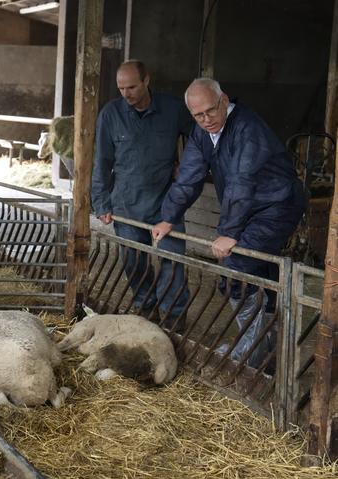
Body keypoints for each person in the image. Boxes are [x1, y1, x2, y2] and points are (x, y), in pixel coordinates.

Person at [152, 77, 307, 370]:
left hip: (277, 204)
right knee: (260, 270)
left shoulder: (248, 128)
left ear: (224, 100)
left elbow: (241, 180)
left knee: (237, 265)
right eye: (198, 115)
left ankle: (254, 347)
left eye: (211, 110)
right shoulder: (202, 133)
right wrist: (168, 216)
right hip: (248, 207)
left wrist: (228, 233)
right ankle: (266, 346)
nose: (206, 119)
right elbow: (189, 176)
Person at [91, 60, 194, 326]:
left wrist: (188, 165)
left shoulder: (173, 109)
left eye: (132, 86)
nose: (127, 93)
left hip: (166, 202)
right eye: (121, 88)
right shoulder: (110, 114)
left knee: (173, 261)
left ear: (147, 80)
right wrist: (101, 202)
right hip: (126, 201)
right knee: (134, 262)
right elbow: (101, 160)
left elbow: (199, 138)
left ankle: (174, 318)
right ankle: (146, 310)